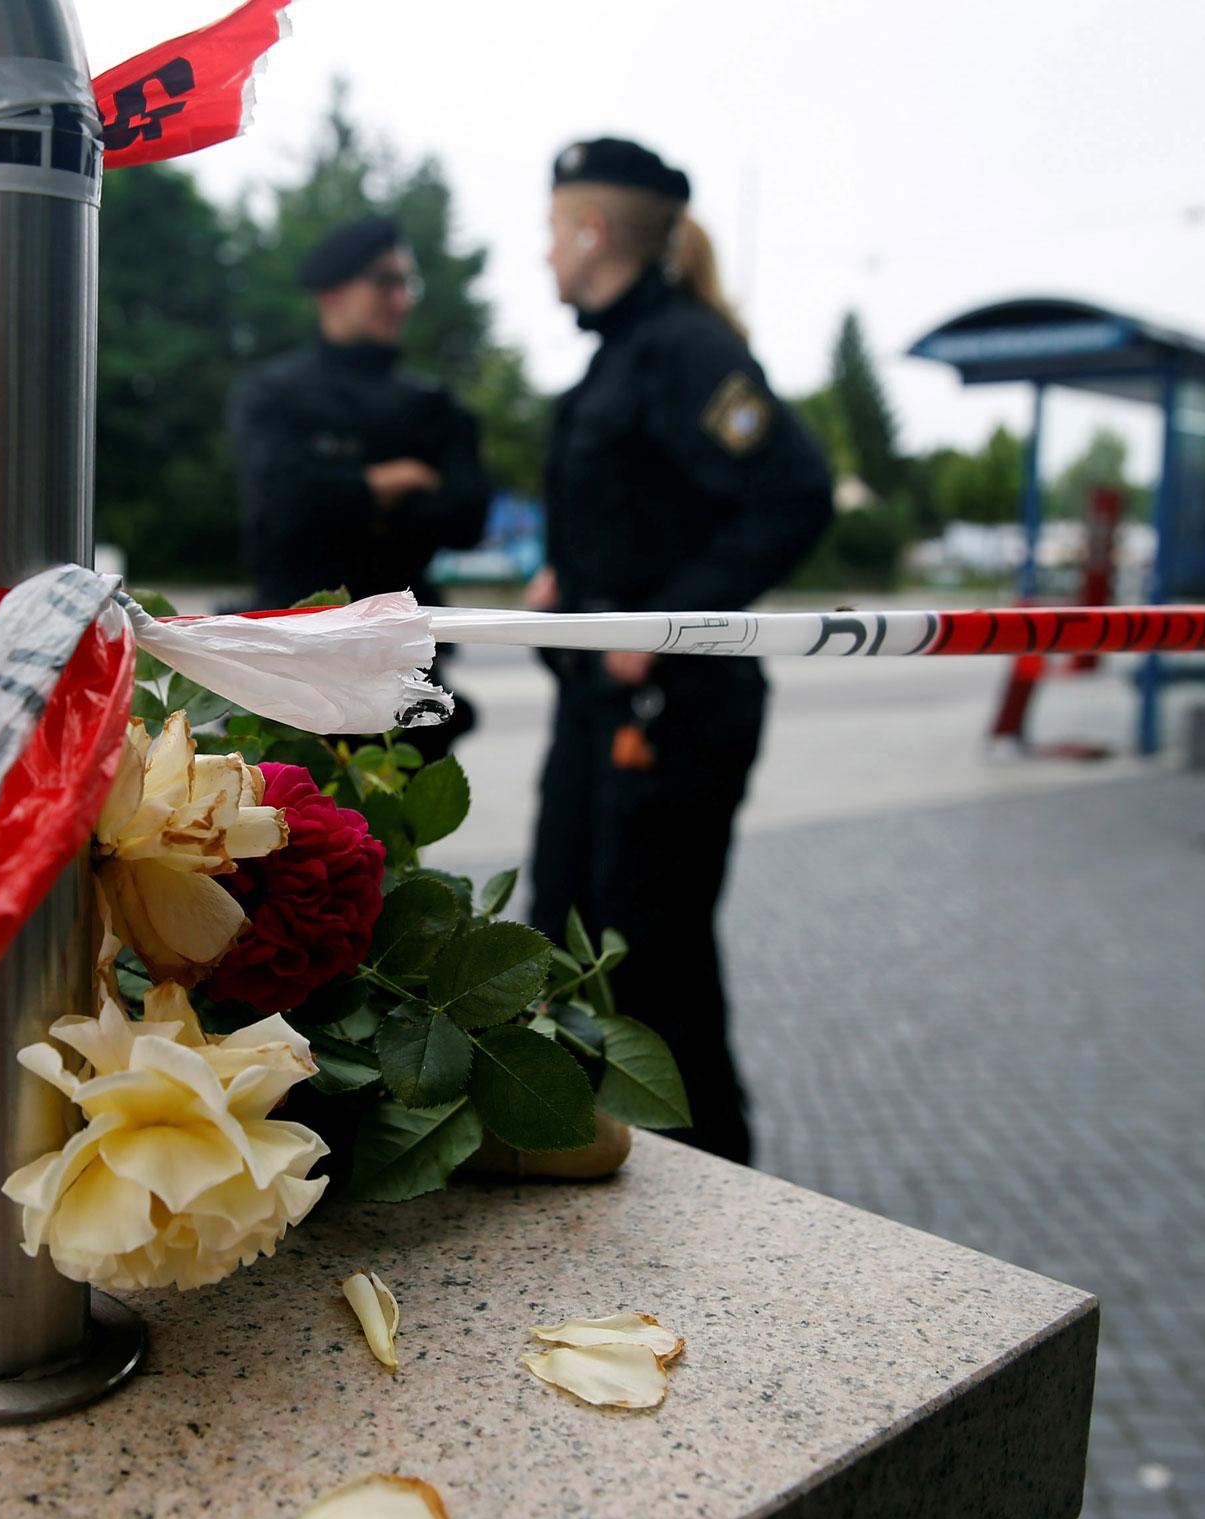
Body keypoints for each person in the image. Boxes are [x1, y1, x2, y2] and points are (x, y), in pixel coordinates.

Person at [526, 138, 833, 1164]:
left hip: (672, 715)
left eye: (550, 229)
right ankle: (580, 1157)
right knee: (564, 935)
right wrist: (568, 588)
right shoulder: (620, 355)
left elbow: (791, 491)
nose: (543, 256)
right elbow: (641, 514)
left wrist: (663, 626)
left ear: (589, 230)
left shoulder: (686, 349)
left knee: (650, 969)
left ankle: (717, 1199)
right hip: (602, 709)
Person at [229, 214, 491, 756]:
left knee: (394, 835)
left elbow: (467, 518)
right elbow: (280, 509)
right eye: (384, 281)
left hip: (402, 669)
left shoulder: (432, 406)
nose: (402, 299)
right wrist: (388, 484)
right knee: (288, 832)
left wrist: (340, 497)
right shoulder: (275, 394)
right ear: (331, 292)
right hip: (293, 674)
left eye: (406, 283)